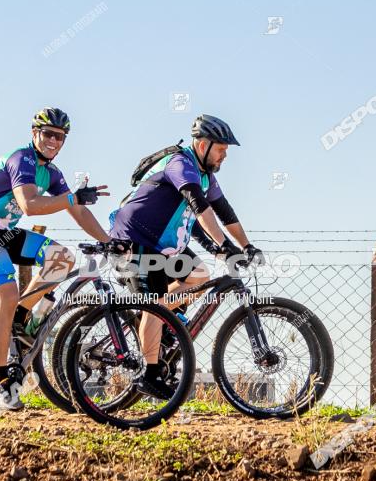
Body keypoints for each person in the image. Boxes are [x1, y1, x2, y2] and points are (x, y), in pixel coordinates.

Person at [0, 107, 111, 409]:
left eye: (60, 137)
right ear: (35, 134)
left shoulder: (51, 173)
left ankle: (20, 318)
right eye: (48, 134)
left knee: (61, 258)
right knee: (7, 295)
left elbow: (76, 210)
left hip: (2, 233)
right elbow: (29, 206)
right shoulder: (21, 158)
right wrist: (73, 197)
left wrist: (109, 241)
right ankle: (0, 381)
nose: (54, 141)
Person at [108, 114, 264, 399]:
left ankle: (165, 320)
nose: (225, 155)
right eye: (221, 149)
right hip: (136, 241)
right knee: (155, 306)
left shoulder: (207, 176)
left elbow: (225, 212)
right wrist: (224, 246)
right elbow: (199, 206)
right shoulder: (181, 163)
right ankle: (149, 374)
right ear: (202, 145)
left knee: (199, 276)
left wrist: (246, 246)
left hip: (164, 246)